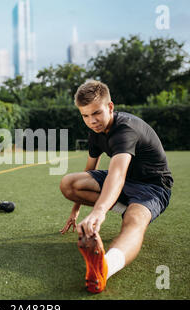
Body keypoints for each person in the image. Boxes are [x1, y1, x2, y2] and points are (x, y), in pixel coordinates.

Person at [59, 80, 173, 293]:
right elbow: (90, 170)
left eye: (96, 113)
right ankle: (125, 208)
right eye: (85, 116)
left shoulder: (125, 129)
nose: (92, 121)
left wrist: (99, 211)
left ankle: (105, 268)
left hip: (153, 186)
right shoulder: (95, 132)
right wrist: (75, 211)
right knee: (69, 183)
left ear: (110, 107)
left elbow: (117, 174)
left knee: (135, 221)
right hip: (124, 182)